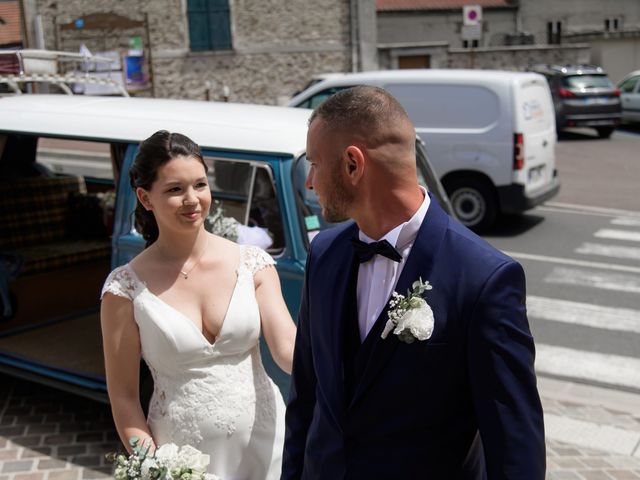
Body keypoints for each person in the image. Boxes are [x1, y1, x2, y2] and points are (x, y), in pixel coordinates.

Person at [282, 86, 546, 479]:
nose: (310, 182)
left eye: (315, 165)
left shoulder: (483, 278)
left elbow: (514, 445)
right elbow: (305, 397)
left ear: (353, 165)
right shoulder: (325, 253)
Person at [100, 130, 296, 480]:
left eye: (200, 185)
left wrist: (348, 363)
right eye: (175, 189)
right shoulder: (124, 289)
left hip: (269, 448)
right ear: (146, 198)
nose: (193, 199)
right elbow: (125, 397)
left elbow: (288, 349)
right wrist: (155, 467)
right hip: (183, 460)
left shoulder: (253, 264)